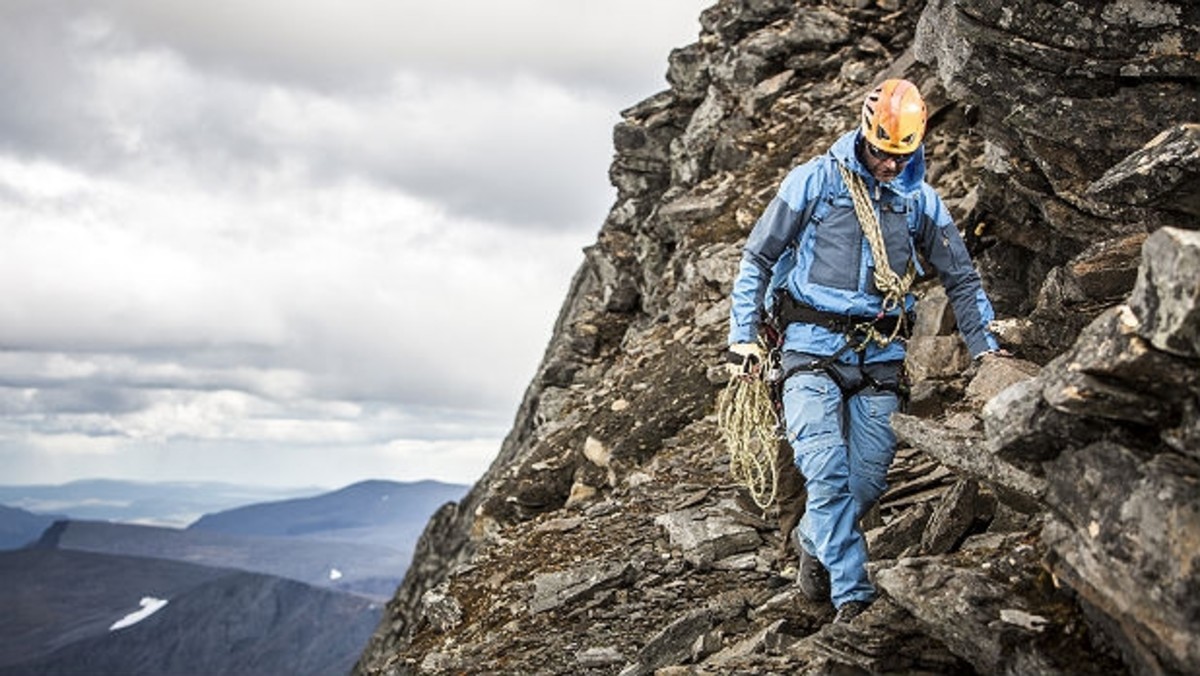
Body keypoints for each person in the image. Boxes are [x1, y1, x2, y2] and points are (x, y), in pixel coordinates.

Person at [725, 78, 1002, 623]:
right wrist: (743, 336)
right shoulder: (814, 182)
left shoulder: (920, 202)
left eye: (902, 155)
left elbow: (963, 281)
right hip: (808, 350)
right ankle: (852, 598)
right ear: (863, 133)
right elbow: (757, 259)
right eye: (880, 152)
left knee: (865, 484)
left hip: (879, 357)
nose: (889, 165)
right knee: (825, 472)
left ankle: (813, 542)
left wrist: (986, 350)